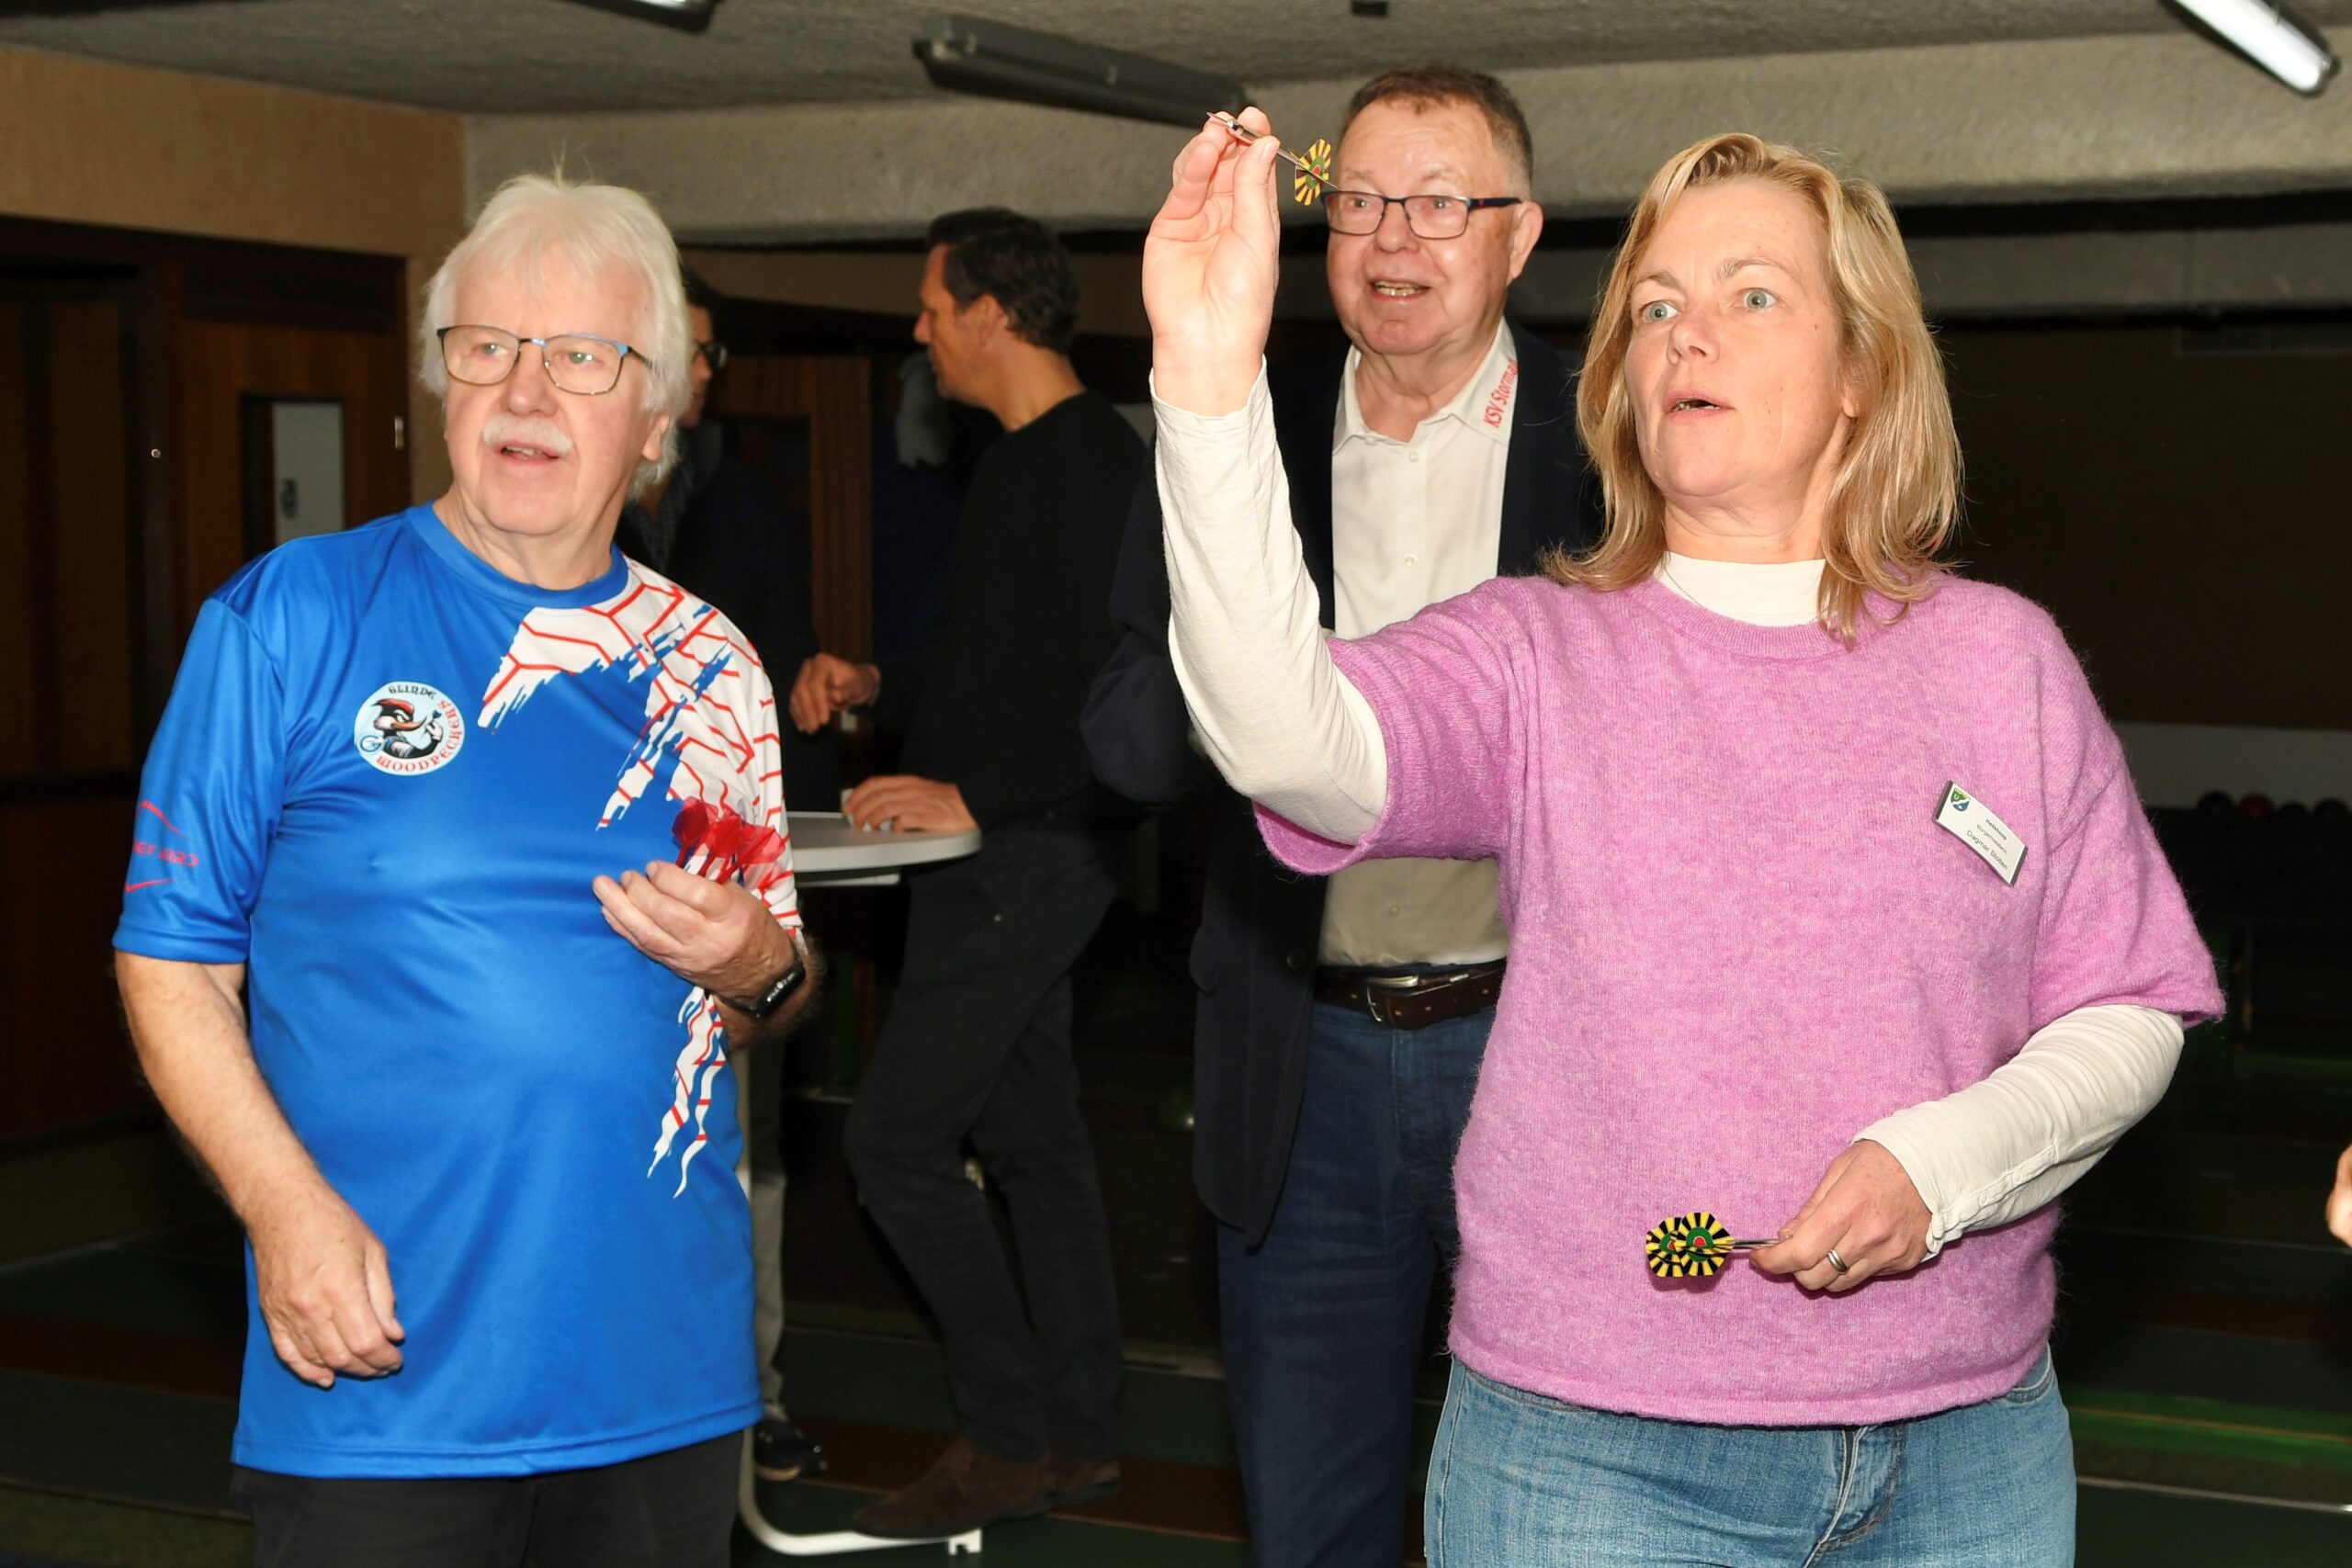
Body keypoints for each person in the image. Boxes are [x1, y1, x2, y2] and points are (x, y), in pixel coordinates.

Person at [1144, 116, 2222, 1565]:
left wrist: (1941, 1166)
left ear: (1863, 371)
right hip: (1597, 1464)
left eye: (1749, 294)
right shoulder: (1535, 655)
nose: (1684, 334)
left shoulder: (2001, 662)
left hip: (1970, 1453)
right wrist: (1207, 383)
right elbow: (1287, 740)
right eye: (1654, 308)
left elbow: (2130, 1004)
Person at [112, 173, 819, 1568]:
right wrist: (281, 1211)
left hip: (661, 1367)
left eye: (581, 357)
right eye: (486, 346)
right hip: (385, 1370)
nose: (524, 391)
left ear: (659, 414)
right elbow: (171, 961)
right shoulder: (290, 619)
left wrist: (756, 964)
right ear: (442, 382)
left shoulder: (716, 669)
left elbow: (773, 998)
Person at [1082, 64, 1599, 1567]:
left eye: (1440, 203)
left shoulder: (1620, 437)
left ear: (1520, 233)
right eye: (1358, 201)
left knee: (1570, 1522)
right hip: (1303, 1068)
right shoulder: (1234, 424)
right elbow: (1122, 731)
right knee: (1312, 1527)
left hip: (1546, 1053)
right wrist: (1263, 700)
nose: (1391, 239)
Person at [787, 208, 1145, 1539]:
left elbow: (1133, 689)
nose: (921, 332)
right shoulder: (1017, 465)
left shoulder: (1093, 465)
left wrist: (978, 798)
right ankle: (1079, 1436)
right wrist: (879, 683)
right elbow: (1005, 671)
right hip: (1001, 855)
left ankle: (1005, 1438)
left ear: (993, 314)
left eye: (935, 309)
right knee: (1035, 1149)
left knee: (891, 1144)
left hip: (1024, 859)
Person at [620, 266, 832, 1484]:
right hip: (608, 870)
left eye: (708, 353)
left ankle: (753, 1394)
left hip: (729, 870)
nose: (697, 371)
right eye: (680, 347)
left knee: (748, 1137)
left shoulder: (743, 498)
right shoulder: (577, 502)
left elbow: (775, 660)